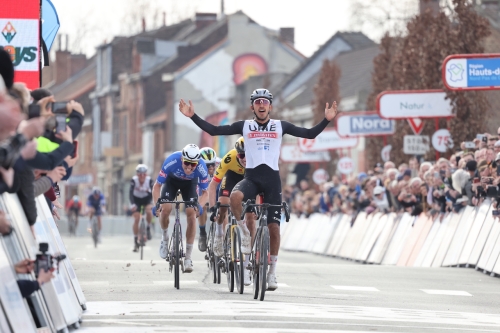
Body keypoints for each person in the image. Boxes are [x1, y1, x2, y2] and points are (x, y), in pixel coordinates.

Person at [178, 88, 337, 290]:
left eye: (265, 102)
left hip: (272, 180)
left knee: (274, 228)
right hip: (251, 178)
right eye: (257, 102)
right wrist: (193, 117)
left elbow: (309, 133)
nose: (261, 105)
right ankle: (244, 232)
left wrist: (326, 120)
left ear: (270, 106)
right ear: (252, 106)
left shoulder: (280, 126)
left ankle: (272, 272)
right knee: (235, 197)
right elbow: (214, 130)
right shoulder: (245, 126)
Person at [152, 144, 209, 273]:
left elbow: (205, 193)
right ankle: (165, 238)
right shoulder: (171, 160)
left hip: (190, 184)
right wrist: (156, 204)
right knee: (165, 209)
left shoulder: (201, 167)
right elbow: (157, 186)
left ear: (197, 164)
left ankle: (188, 258)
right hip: (171, 182)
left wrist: (199, 206)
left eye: (193, 165)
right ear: (182, 159)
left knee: (192, 214)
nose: (189, 167)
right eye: (187, 163)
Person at [207, 137, 254, 286]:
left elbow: (262, 186)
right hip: (232, 177)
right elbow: (213, 185)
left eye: (248, 154)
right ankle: (219, 234)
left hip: (250, 179)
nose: (245, 158)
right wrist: (213, 207)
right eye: (241, 155)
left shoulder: (258, 159)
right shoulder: (229, 158)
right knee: (223, 206)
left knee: (251, 218)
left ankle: (246, 266)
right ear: (237, 153)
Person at [196, 147, 217, 252]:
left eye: (212, 164)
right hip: (203, 189)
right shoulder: (197, 168)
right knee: (202, 206)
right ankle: (202, 232)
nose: (211, 168)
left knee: (223, 207)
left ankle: (223, 235)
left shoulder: (221, 163)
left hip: (217, 189)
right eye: (207, 165)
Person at [130, 164, 154, 252]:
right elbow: (130, 193)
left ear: (146, 174)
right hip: (136, 200)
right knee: (136, 219)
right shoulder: (134, 180)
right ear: (137, 174)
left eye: (144, 174)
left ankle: (148, 228)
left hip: (146, 199)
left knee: (149, 211)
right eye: (140, 174)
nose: (142, 176)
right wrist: (132, 204)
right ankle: (135, 239)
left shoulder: (149, 180)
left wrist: (152, 202)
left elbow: (153, 192)